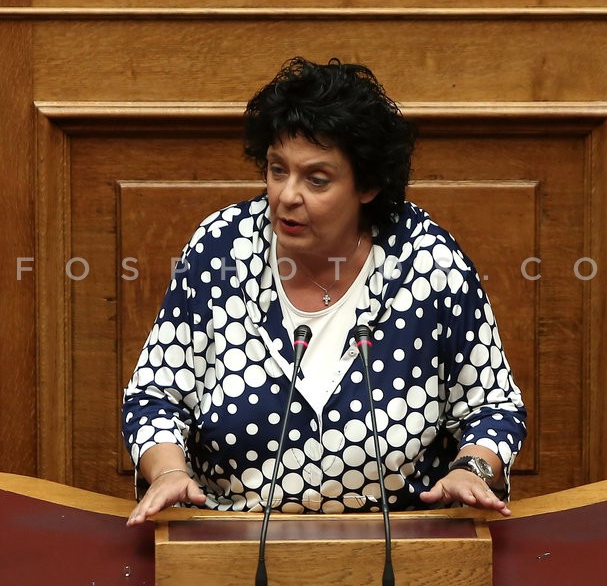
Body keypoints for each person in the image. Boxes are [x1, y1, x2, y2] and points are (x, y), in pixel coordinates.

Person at [122, 57, 526, 527]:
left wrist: (472, 469)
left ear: (368, 185)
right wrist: (168, 471)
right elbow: (154, 395)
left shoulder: (427, 260)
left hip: (401, 540)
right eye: (277, 170)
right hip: (234, 539)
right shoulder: (221, 249)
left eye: (316, 180)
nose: (286, 196)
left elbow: (493, 405)